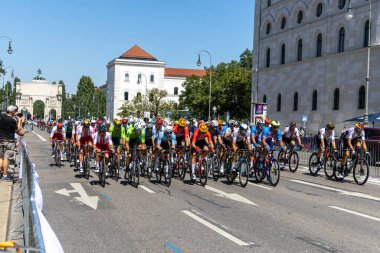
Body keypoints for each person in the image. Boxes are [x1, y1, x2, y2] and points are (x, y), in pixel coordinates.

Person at [0, 105, 26, 180]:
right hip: (9, 141)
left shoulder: (1, 117)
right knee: (6, 158)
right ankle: (5, 175)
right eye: (15, 111)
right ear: (12, 111)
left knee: (0, 157)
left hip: (0, 140)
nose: (16, 113)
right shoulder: (12, 120)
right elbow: (18, 131)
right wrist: (23, 132)